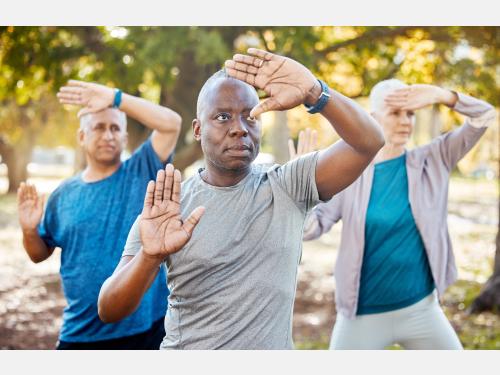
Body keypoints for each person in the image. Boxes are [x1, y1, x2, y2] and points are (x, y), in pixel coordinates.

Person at [97, 48, 385, 349]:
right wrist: (150, 256)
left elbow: (369, 142)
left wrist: (315, 92)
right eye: (222, 117)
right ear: (198, 130)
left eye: (250, 117)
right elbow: (109, 309)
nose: (239, 129)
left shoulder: (289, 184)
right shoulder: (168, 208)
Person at [303, 79, 496, 349]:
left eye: (411, 113)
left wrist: (443, 95)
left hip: (421, 310)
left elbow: (485, 115)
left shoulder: (434, 158)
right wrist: (303, 191)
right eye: (395, 113)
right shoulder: (350, 172)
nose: (405, 121)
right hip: (361, 316)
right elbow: (310, 228)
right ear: (372, 119)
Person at [17, 80, 182, 349]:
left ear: (125, 138)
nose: (108, 135)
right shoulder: (63, 194)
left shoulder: (142, 169)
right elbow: (38, 254)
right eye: (99, 127)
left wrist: (115, 98)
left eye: (115, 128)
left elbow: (171, 123)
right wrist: (28, 230)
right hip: (81, 333)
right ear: (82, 137)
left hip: (145, 331)